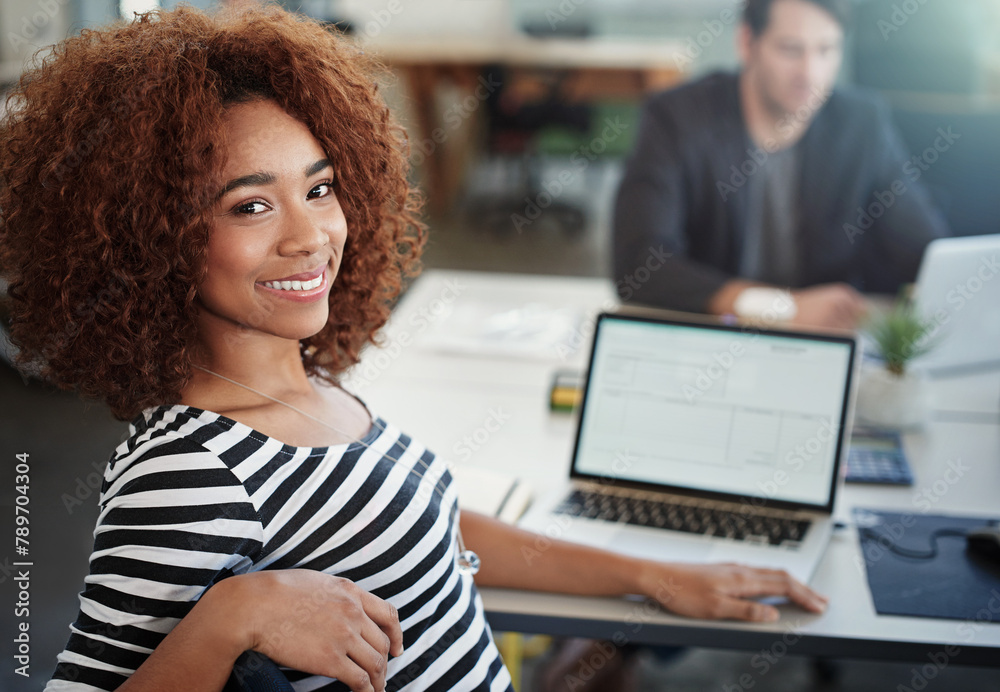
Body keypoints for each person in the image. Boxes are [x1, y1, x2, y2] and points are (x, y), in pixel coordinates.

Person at [0, 6, 828, 691]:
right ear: (154, 240)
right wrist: (232, 618)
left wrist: (652, 574)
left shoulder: (313, 384)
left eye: (320, 189)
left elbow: (427, 523)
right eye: (250, 208)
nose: (311, 236)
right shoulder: (188, 473)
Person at [613, 0, 950, 331]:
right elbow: (639, 264)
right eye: (791, 49)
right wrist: (781, 308)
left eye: (826, 50)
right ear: (747, 43)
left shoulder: (861, 124)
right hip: (715, 333)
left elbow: (925, 253)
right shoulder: (677, 118)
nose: (810, 72)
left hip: (823, 341)